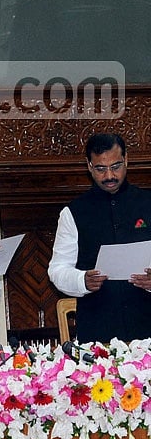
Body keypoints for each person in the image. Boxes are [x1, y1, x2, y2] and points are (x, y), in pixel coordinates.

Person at [48, 133, 151, 343]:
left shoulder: (147, 202)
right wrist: (82, 280)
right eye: (101, 169)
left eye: (116, 166)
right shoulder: (73, 212)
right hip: (98, 329)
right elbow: (57, 270)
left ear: (127, 160)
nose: (109, 176)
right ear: (89, 166)